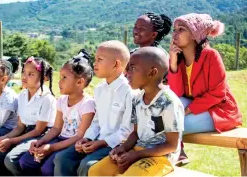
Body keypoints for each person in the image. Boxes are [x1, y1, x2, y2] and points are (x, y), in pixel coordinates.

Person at [89, 47, 184, 176]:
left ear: (152, 72)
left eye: (132, 68)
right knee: (96, 171)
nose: (127, 73)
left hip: (161, 156)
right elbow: (135, 133)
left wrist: (137, 155)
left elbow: (171, 146)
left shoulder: (169, 103)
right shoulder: (137, 99)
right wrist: (123, 148)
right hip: (138, 150)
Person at [168, 13, 242, 165]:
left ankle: (172, 156)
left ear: (195, 34)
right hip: (195, 106)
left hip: (219, 110)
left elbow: (218, 94)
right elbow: (177, 93)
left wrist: (187, 111)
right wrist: (173, 64)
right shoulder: (179, 59)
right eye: (174, 30)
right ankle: (177, 153)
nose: (175, 33)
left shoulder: (211, 55)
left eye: (181, 29)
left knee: (173, 124)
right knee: (169, 107)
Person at [54, 40, 134, 176]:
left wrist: (101, 143)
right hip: (96, 140)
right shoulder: (99, 89)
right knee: (62, 158)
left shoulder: (129, 92)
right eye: (95, 59)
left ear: (116, 64)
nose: (94, 63)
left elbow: (127, 131)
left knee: (87, 166)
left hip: (115, 145)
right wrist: (87, 138)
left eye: (99, 60)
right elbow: (96, 121)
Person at [19, 49, 96, 176]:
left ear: (80, 82)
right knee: (26, 161)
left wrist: (51, 148)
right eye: (60, 77)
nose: (59, 82)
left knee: (48, 169)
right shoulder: (61, 100)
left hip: (73, 144)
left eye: (64, 78)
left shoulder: (87, 104)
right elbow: (56, 128)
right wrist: (42, 142)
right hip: (59, 139)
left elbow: (79, 136)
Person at [0, 57, 56, 176]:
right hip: (25, 133)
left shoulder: (47, 98)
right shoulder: (22, 95)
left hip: (41, 136)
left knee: (12, 159)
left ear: (45, 77)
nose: (24, 76)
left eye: (31, 74)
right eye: (24, 72)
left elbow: (38, 130)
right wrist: (4, 138)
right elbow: (20, 126)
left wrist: (11, 141)